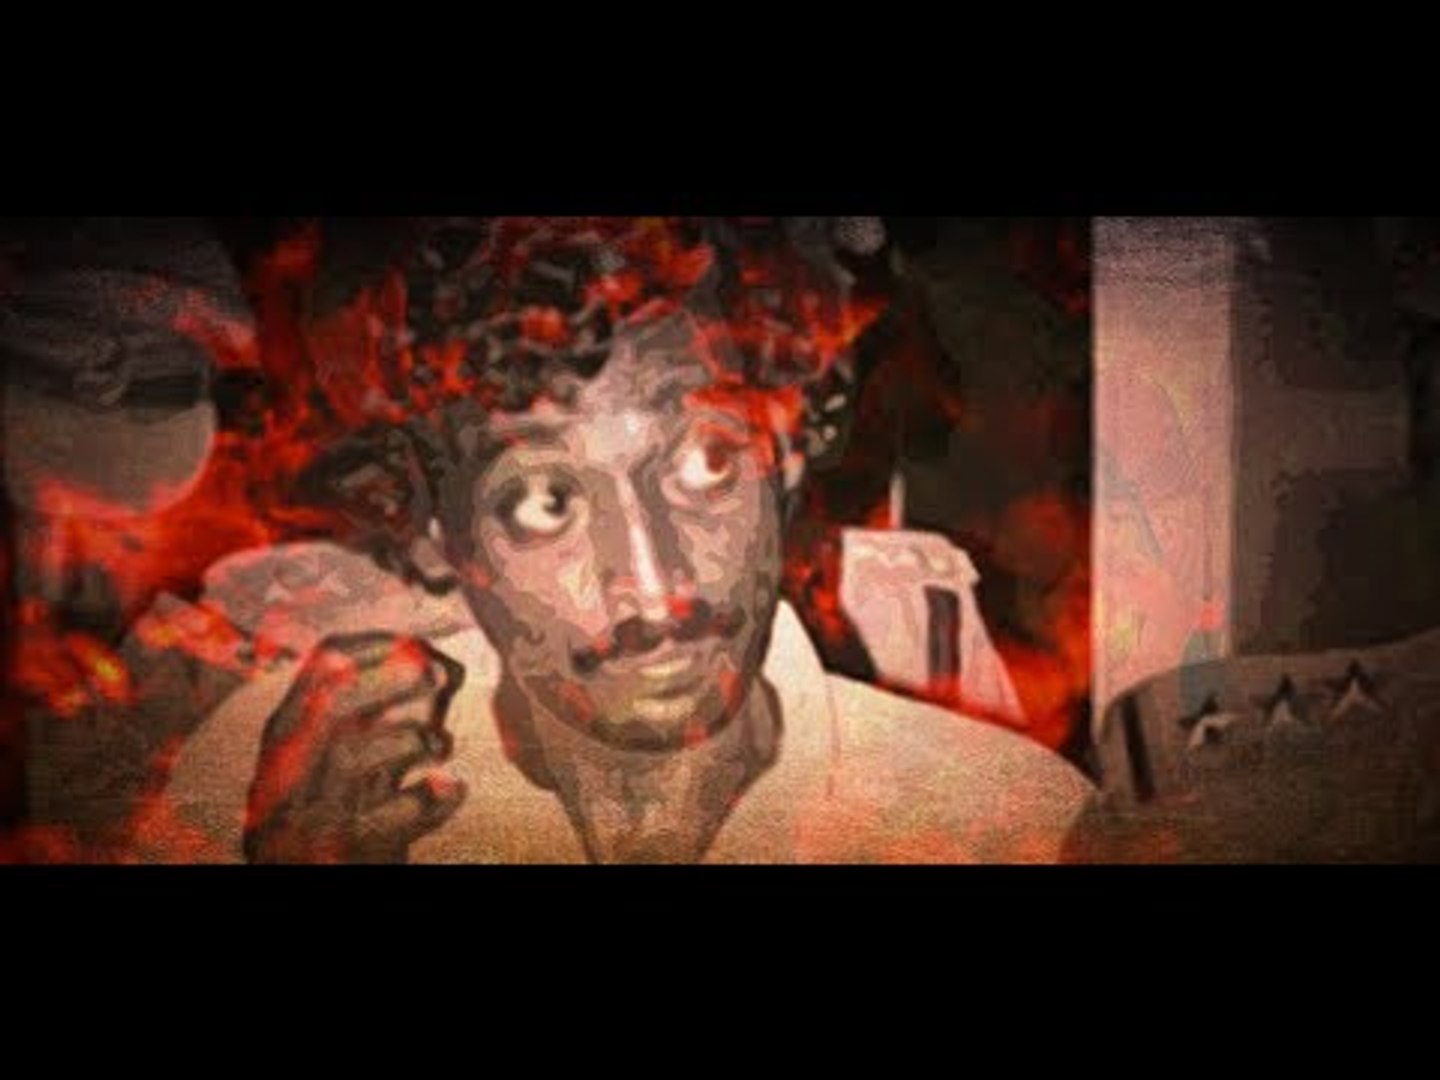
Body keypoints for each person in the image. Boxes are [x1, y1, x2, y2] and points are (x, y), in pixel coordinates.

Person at [140, 217, 1093, 863]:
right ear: (432, 530)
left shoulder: (1009, 826)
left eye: (707, 463)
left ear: (790, 451)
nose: (654, 584)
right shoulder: (260, 789)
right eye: (543, 502)